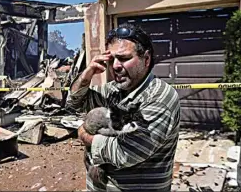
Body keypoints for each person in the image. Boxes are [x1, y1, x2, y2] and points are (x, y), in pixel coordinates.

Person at [66, 23, 181, 192]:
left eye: (125, 58)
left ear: (146, 59)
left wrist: (83, 134)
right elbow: (73, 103)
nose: (115, 66)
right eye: (111, 59)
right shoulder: (112, 90)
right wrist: (86, 74)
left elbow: (126, 152)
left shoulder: (160, 97)